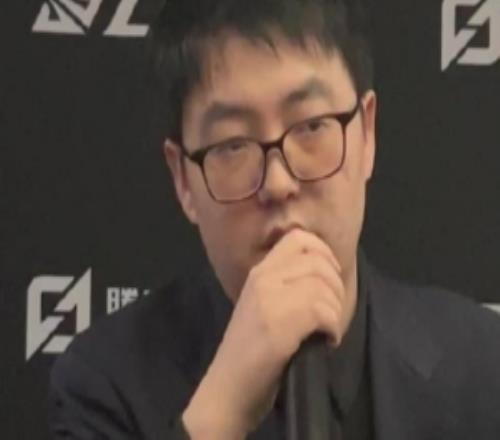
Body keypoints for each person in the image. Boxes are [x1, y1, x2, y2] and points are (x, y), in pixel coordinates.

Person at [48, 0, 500, 439]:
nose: (278, 183)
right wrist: (220, 414)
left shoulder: (481, 365)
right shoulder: (106, 384)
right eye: (233, 145)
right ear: (183, 179)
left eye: (311, 126)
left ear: (367, 134)